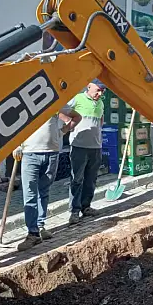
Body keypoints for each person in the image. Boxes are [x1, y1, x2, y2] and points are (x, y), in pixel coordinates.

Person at [14, 107, 82, 251]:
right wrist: (15, 145)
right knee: (30, 194)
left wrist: (61, 132)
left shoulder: (55, 103)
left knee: (43, 192)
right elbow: (13, 125)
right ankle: (32, 233)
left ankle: (40, 226)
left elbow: (77, 117)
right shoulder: (25, 105)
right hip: (30, 153)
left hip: (52, 154)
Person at [67, 80, 105, 225]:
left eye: (102, 91)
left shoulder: (101, 103)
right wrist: (68, 127)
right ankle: (74, 211)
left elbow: (100, 121)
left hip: (95, 147)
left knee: (91, 179)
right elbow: (62, 112)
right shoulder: (77, 99)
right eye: (97, 90)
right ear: (89, 86)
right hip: (79, 146)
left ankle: (86, 206)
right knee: (77, 179)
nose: (99, 93)